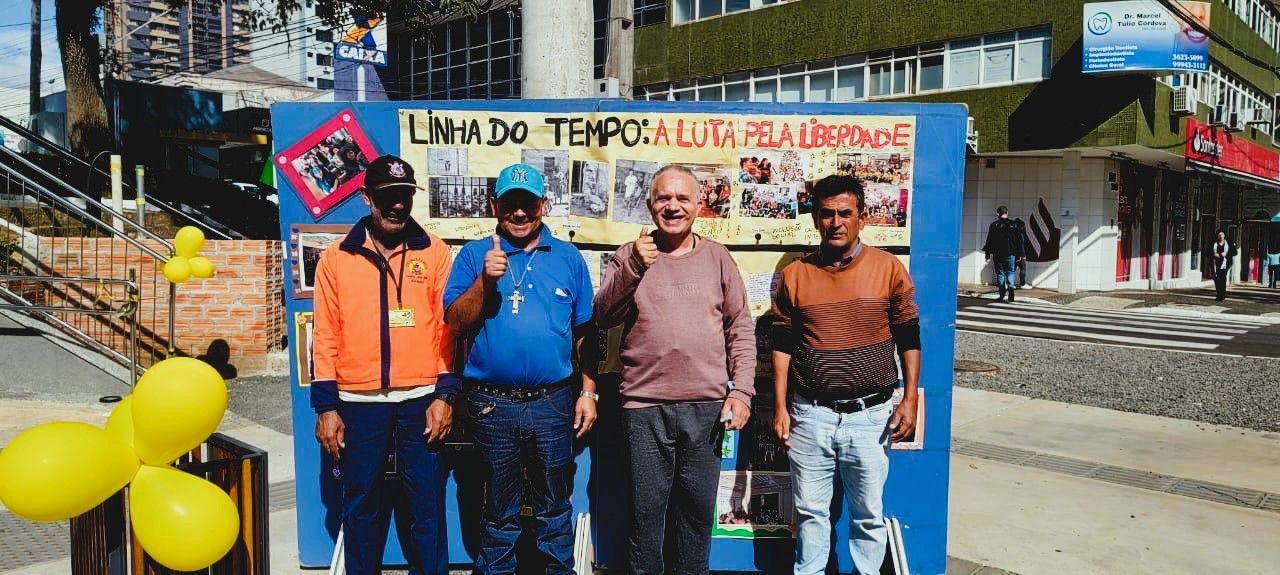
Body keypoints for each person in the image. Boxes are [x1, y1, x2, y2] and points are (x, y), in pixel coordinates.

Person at [594, 164, 756, 575]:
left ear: (699, 206)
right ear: (649, 206)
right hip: (644, 407)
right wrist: (634, 265)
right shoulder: (629, 256)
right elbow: (604, 316)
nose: (673, 206)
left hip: (706, 408)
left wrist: (741, 393)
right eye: (664, 198)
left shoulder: (718, 258)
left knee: (698, 515)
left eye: (683, 198)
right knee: (645, 516)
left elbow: (740, 328)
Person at [443, 164, 598, 575]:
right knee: (499, 511)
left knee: (553, 508)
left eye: (527, 203)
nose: (519, 213)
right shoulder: (474, 255)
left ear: (543, 205)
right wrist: (484, 282)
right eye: (509, 203)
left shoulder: (567, 257)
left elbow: (585, 332)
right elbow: (456, 324)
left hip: (553, 403)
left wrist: (588, 391)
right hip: (492, 406)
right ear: (495, 205)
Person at [310, 155, 458, 575]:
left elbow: (448, 330)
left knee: (426, 505)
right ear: (366, 197)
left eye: (404, 197)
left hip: (421, 399)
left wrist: (445, 394)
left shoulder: (434, 252)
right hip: (357, 400)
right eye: (387, 197)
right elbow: (324, 334)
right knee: (361, 504)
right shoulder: (337, 258)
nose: (397, 206)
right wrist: (326, 406)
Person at [770, 175, 920, 575]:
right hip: (810, 415)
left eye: (845, 213)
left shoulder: (889, 269)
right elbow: (781, 344)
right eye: (826, 214)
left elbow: (908, 335)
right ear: (815, 219)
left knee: (868, 515)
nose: (835, 222)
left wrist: (910, 398)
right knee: (809, 512)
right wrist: (781, 407)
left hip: (871, 417)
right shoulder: (795, 275)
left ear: (862, 218)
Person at [983, 205, 1025, 302]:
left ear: (998, 214)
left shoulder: (994, 225)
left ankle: (1002, 295)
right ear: (1007, 213)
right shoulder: (1014, 225)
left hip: (998, 254)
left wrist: (987, 255)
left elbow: (989, 241)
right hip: (1010, 253)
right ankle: (1011, 291)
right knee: (1010, 272)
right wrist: (1021, 254)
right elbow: (1019, 241)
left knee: (1000, 274)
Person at [1210, 230, 1236, 301]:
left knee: (1223, 278)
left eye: (1222, 235)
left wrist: (1225, 254)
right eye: (1219, 235)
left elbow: (1234, 252)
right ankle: (1219, 293)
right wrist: (1214, 254)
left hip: (1225, 263)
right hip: (1215, 263)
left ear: (1224, 236)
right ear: (1217, 236)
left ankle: (1222, 294)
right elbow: (1207, 252)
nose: (1220, 236)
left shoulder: (1228, 243)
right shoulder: (1214, 243)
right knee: (1216, 279)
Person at [1012, 216, 1029, 287]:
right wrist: (1023, 255)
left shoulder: (1011, 234)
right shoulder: (1020, 234)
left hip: (1012, 254)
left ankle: (1010, 284)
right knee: (1023, 269)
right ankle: (1022, 283)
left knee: (1012, 270)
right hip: (1019, 255)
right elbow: (1021, 246)